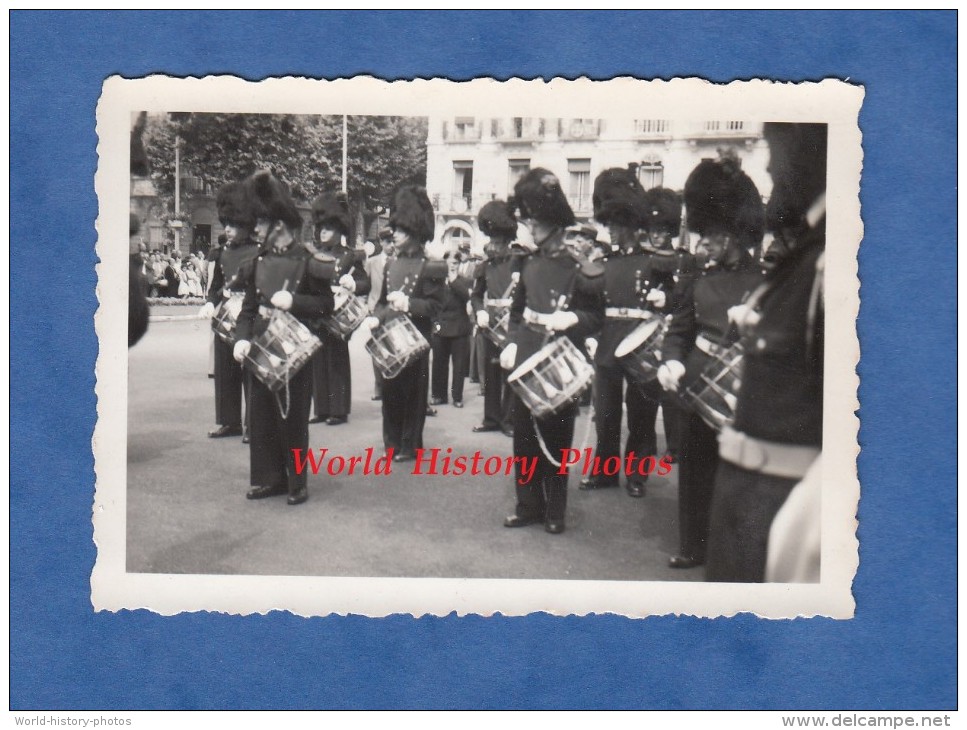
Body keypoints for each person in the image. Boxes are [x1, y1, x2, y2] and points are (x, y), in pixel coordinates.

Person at [706, 122, 827, 582]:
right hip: (756, 504)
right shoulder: (810, 256)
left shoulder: (830, 262)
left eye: (778, 145)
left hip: (783, 515)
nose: (772, 163)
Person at [657, 156, 765, 569]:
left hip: (742, 391)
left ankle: (731, 547)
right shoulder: (698, 276)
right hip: (697, 387)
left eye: (714, 234)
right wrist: (672, 361)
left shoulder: (765, 280)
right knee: (695, 472)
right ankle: (692, 544)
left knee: (735, 477)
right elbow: (679, 329)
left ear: (735, 233)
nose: (706, 241)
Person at [500, 168, 603, 535]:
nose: (531, 227)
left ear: (554, 223)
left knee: (557, 437)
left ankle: (555, 510)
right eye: (529, 221)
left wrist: (573, 318)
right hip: (528, 354)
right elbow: (517, 311)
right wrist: (512, 342)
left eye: (536, 221)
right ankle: (527, 504)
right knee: (524, 437)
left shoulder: (580, 270)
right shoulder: (527, 263)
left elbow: (595, 317)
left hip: (561, 359)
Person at [232, 170, 336, 506]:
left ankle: (296, 481)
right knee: (261, 415)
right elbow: (248, 309)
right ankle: (268, 478)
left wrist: (296, 302)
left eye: (261, 223)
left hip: (294, 347)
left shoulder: (308, 261)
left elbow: (326, 306)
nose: (256, 229)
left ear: (278, 224)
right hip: (262, 345)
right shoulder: (257, 261)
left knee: (292, 418)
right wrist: (241, 338)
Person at [579, 166, 674, 498]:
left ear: (633, 226)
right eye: (611, 224)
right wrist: (590, 336)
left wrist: (666, 299)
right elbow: (592, 308)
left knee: (642, 413)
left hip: (641, 342)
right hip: (607, 343)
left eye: (618, 225)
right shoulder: (603, 261)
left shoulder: (654, 262)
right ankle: (606, 472)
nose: (612, 230)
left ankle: (637, 474)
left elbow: (677, 300)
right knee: (605, 414)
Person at [363, 186, 446, 462]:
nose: (394, 234)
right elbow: (385, 301)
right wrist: (377, 315)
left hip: (416, 337)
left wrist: (409, 304)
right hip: (390, 335)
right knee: (391, 391)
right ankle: (392, 442)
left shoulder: (432, 266)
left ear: (414, 231)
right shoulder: (390, 265)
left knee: (413, 393)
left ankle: (410, 444)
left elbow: (435, 307)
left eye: (400, 229)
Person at [199, 182, 261, 440]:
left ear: (246, 226)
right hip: (225, 317)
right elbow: (216, 286)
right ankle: (228, 420)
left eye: (233, 225)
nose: (228, 229)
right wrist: (211, 302)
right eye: (227, 224)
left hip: (248, 315)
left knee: (250, 372)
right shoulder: (222, 253)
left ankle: (252, 425)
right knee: (225, 372)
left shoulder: (258, 251)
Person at [642, 185, 698, 463]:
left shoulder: (685, 260)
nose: (657, 235)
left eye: (663, 230)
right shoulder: (646, 258)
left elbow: (687, 295)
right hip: (649, 327)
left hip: (674, 325)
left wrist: (668, 297)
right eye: (653, 230)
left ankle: (674, 445)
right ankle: (646, 443)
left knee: (670, 392)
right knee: (646, 390)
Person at [307, 191, 370, 426]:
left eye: (328, 228)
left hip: (339, 314)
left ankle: (338, 409)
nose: (322, 232)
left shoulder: (348, 256)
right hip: (317, 312)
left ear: (339, 231)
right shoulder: (314, 255)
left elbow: (365, 284)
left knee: (336, 361)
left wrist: (353, 283)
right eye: (321, 228)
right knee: (318, 361)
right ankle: (321, 408)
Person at [470, 199, 522, 436]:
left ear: (508, 242)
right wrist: (479, 310)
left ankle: (509, 420)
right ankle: (491, 418)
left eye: (498, 242)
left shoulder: (520, 262)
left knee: (511, 373)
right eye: (491, 241)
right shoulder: (485, 267)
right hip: (489, 325)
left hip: (511, 324)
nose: (494, 246)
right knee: (490, 374)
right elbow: (476, 295)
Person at [430, 251, 474, 408]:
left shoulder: (465, 281)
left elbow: (467, 296)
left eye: (455, 263)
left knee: (459, 364)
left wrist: (454, 280)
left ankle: (457, 396)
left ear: (459, 264)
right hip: (441, 325)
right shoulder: (437, 281)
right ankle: (438, 395)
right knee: (438, 363)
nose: (452, 266)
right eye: (449, 263)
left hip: (459, 326)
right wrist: (434, 322)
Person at [364, 226, 395, 401]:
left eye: (393, 242)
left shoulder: (398, 261)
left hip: (393, 310)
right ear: (381, 242)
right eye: (388, 242)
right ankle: (379, 386)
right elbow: (366, 285)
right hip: (376, 309)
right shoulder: (372, 262)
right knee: (377, 348)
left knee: (392, 346)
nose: (391, 246)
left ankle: (392, 385)